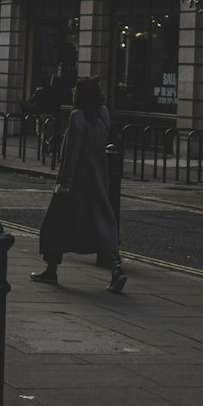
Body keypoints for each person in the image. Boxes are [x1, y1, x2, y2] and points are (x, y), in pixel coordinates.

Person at [32, 76, 127, 294]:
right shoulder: (103, 113)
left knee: (56, 223)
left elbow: (72, 153)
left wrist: (65, 182)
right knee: (101, 224)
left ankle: (51, 269)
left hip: (77, 182)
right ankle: (116, 268)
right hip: (98, 178)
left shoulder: (77, 117)